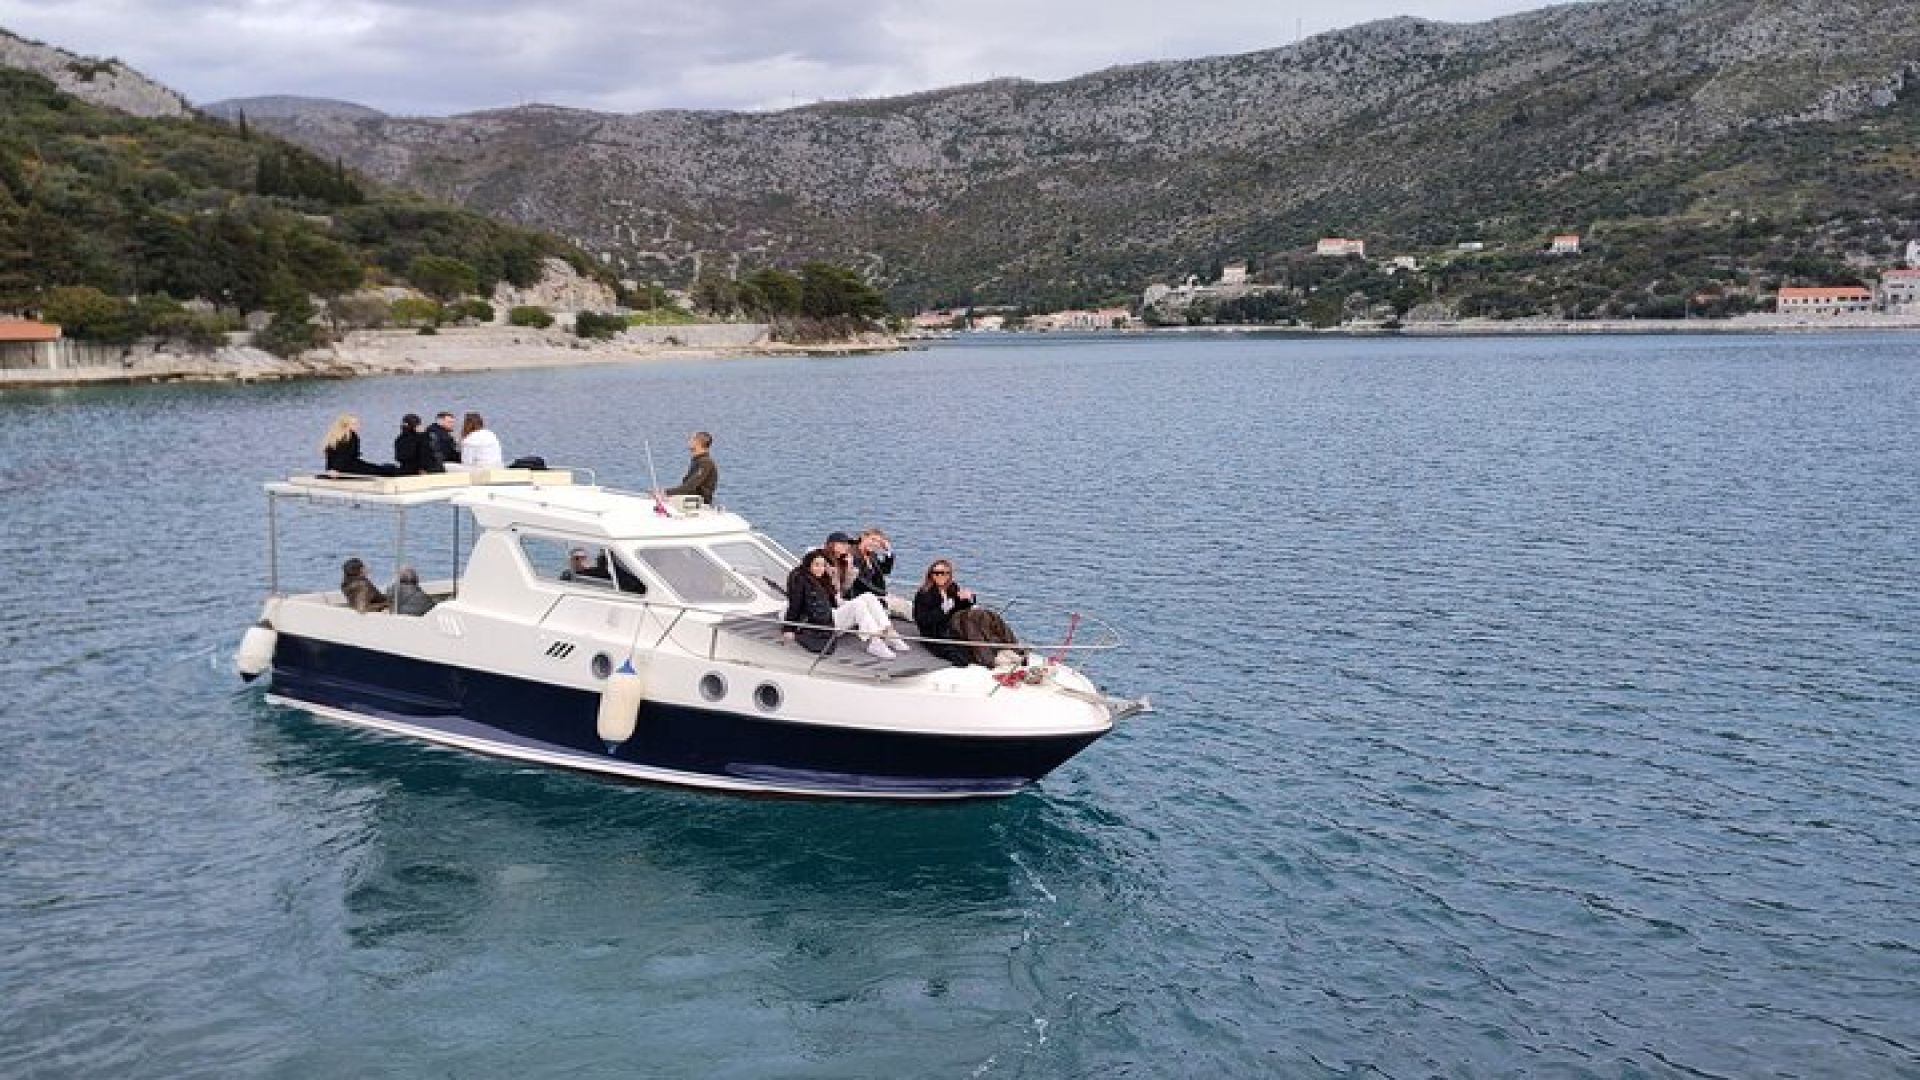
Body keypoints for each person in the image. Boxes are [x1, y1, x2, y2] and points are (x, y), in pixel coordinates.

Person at [782, 548, 897, 660]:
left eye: (822, 565)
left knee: (868, 597)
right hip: (823, 622)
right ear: (808, 565)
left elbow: (834, 599)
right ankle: (875, 642)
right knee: (857, 605)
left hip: (831, 613)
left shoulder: (822, 579)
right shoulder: (801, 581)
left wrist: (832, 577)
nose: (820, 569)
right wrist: (789, 629)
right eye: (816, 565)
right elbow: (795, 605)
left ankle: (889, 633)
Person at [914, 559, 1020, 666]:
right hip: (939, 630)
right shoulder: (924, 594)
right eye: (937, 573)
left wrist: (967, 598)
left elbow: (960, 606)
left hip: (956, 622)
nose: (941, 576)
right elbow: (922, 620)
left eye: (945, 573)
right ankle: (989, 659)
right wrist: (944, 608)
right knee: (970, 620)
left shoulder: (952, 587)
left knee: (987, 614)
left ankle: (1012, 647)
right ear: (931, 575)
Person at [321, 414, 396, 476]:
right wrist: (336, 470)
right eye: (354, 424)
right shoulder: (351, 437)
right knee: (383, 470)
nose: (358, 425)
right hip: (349, 467)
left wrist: (330, 469)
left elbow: (331, 457)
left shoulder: (333, 438)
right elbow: (344, 456)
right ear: (346, 425)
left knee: (377, 467)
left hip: (339, 467)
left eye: (357, 423)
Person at [663, 430, 718, 504]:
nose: (689, 441)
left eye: (692, 439)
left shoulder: (705, 463)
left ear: (698, 443)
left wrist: (665, 492)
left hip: (700, 502)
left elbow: (690, 486)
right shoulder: (698, 460)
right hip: (690, 499)